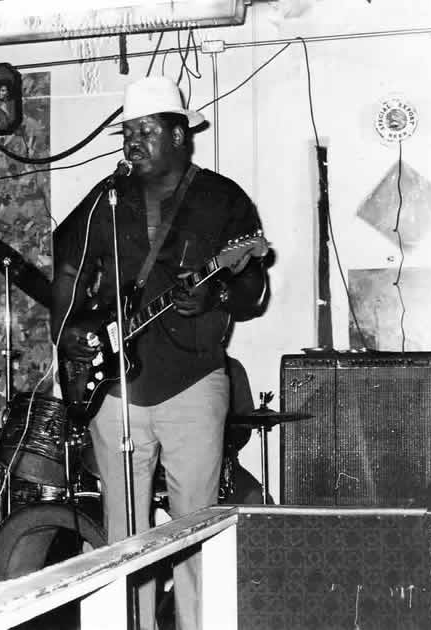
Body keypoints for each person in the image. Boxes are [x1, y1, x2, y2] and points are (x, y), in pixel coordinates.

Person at [52, 76, 268, 630]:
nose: (133, 141)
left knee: (194, 530)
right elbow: (67, 267)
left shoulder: (223, 199)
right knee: (124, 539)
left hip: (191, 382)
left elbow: (252, 293)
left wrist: (215, 293)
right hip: (115, 389)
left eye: (147, 130)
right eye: (128, 131)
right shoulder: (107, 197)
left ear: (179, 134)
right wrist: (69, 332)